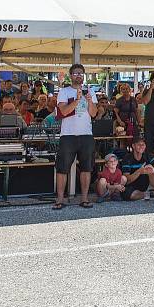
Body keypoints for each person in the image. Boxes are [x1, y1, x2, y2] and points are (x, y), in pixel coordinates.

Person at [53, 63, 97, 210]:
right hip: (68, 135)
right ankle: (60, 199)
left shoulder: (90, 91)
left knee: (86, 168)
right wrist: (77, 100)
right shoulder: (64, 91)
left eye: (81, 73)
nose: (79, 75)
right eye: (76, 73)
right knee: (62, 168)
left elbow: (93, 113)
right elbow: (63, 111)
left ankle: (84, 198)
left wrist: (89, 100)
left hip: (86, 134)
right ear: (71, 76)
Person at [120, 136, 154, 202]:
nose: (141, 146)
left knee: (150, 169)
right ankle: (149, 194)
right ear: (133, 146)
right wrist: (139, 171)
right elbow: (127, 180)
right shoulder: (127, 159)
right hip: (132, 186)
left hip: (144, 183)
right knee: (130, 196)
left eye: (143, 144)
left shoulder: (148, 156)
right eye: (138, 144)